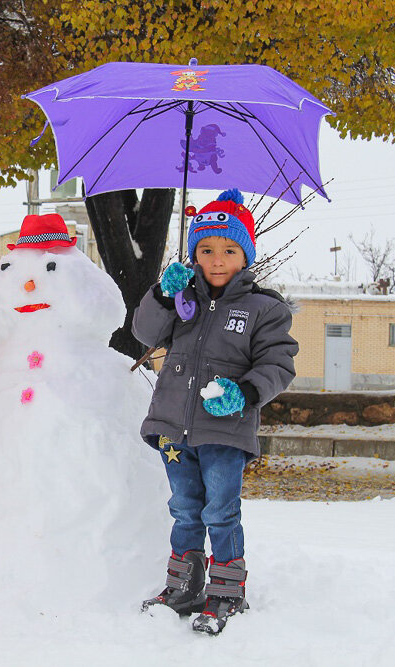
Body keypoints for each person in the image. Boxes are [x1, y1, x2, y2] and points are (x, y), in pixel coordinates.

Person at [132, 188, 298, 635]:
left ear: (245, 255)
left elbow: (278, 364)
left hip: (224, 429)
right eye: (205, 250)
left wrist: (243, 392)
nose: (217, 259)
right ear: (194, 255)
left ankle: (226, 590)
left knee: (220, 510)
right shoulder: (181, 299)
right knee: (185, 508)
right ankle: (183, 585)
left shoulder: (265, 309)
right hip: (173, 427)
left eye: (228, 250)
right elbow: (144, 332)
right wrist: (163, 296)